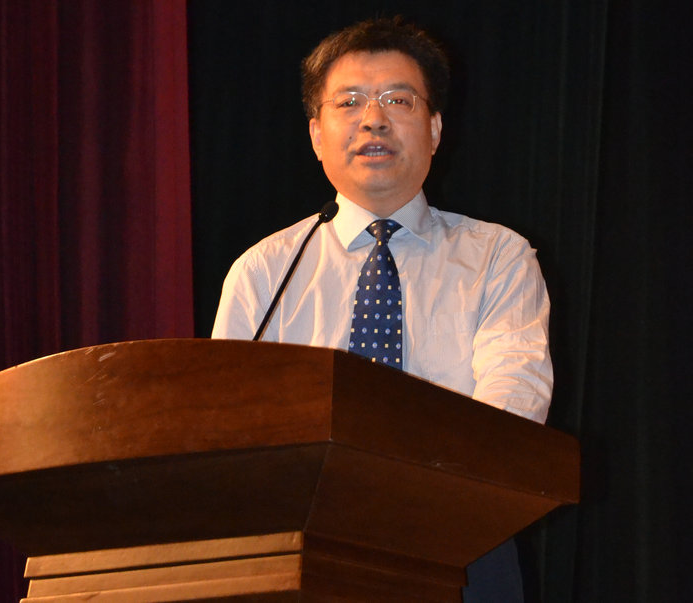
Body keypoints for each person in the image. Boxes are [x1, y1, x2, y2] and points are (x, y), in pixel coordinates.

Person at [212, 16, 552, 602]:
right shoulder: (263, 271)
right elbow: (227, 429)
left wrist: (407, 489)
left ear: (435, 129)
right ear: (316, 134)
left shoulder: (498, 257)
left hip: (461, 538)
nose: (373, 119)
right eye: (349, 102)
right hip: (301, 549)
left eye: (398, 99)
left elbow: (511, 410)